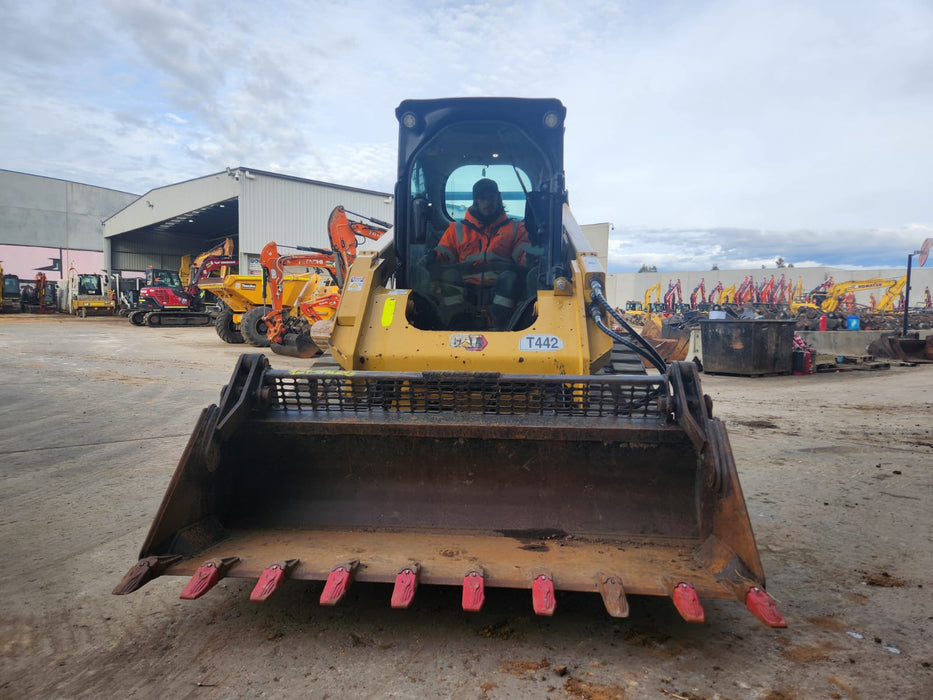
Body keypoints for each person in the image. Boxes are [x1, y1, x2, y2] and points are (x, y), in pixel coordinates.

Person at [432, 178, 540, 329]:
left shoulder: (515, 228)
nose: (488, 202)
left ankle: (500, 326)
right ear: (476, 201)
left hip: (500, 289)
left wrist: (530, 258)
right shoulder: (456, 229)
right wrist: (431, 258)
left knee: (510, 279)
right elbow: (441, 257)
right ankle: (457, 323)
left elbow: (523, 257)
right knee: (449, 275)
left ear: (498, 198)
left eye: (492, 197)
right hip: (465, 288)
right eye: (483, 198)